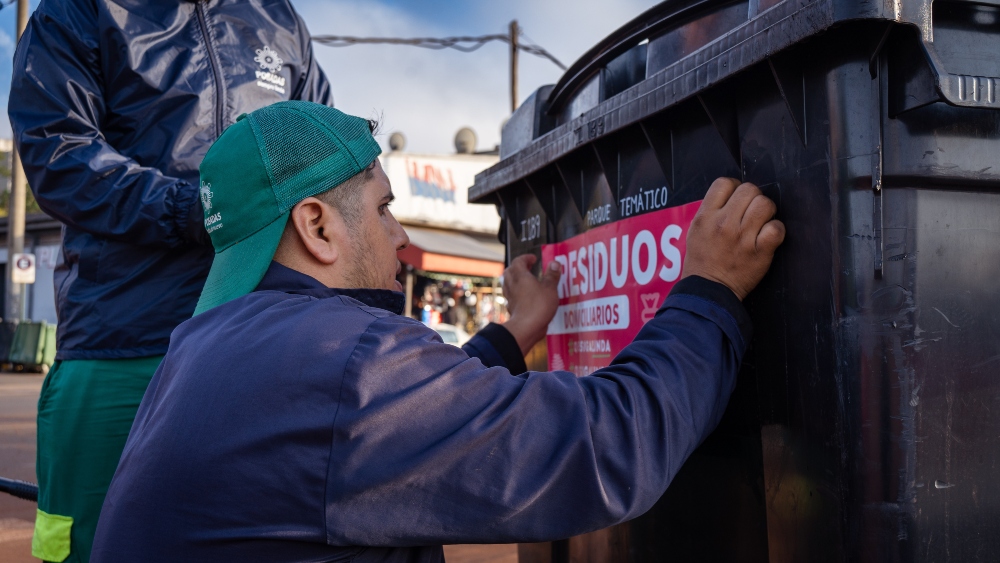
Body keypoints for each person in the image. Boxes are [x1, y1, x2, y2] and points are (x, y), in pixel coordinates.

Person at [91, 101, 785, 562]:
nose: (401, 236)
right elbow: (607, 447)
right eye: (385, 208)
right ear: (317, 226)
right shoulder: (339, 359)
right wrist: (708, 288)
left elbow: (397, 420)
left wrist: (516, 331)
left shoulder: (205, 346)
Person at [8, 2, 332, 561]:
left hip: (262, 347)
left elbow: (323, 151)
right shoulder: (80, 9)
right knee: (91, 546)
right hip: (120, 341)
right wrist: (196, 210)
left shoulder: (278, 19)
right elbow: (58, 149)